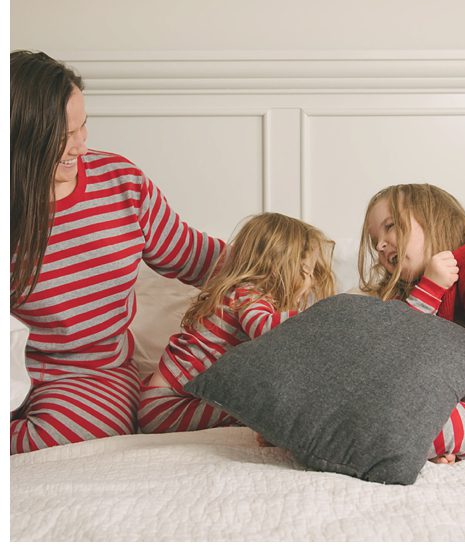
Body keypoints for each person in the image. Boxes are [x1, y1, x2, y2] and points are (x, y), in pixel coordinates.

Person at [10, 51, 225, 452]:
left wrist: (277, 264)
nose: (80, 145)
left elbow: (195, 254)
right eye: (62, 136)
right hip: (15, 366)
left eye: (83, 125)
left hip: (92, 374)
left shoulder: (120, 182)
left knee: (67, 433)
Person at [359, 184, 465, 462]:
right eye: (374, 240)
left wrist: (431, 287)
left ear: (435, 222)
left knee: (420, 423)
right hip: (434, 402)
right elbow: (392, 353)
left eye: (390, 226)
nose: (380, 245)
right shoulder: (394, 298)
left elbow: (412, 340)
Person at [136, 213, 335, 433]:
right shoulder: (248, 293)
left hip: (166, 403)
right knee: (259, 404)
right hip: (167, 407)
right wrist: (320, 315)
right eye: (307, 271)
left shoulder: (247, 295)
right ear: (280, 267)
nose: (312, 282)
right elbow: (263, 327)